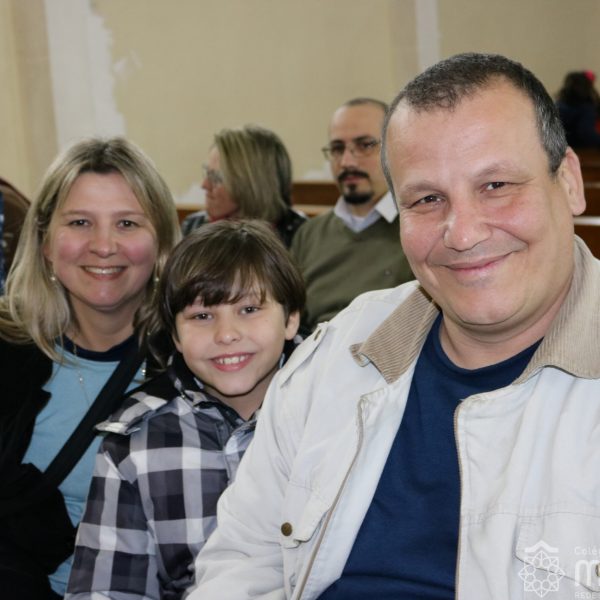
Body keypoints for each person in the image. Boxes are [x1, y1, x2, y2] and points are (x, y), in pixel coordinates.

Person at [186, 53, 600, 599]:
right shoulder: (341, 351)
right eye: (427, 199)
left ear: (568, 181)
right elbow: (243, 561)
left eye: (496, 184)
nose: (462, 233)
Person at [66, 220, 304, 600]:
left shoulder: (340, 414)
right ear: (175, 335)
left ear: (290, 319)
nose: (226, 334)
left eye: (248, 309)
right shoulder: (135, 444)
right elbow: (107, 589)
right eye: (202, 316)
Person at [0, 137, 181, 599]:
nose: (103, 246)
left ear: (160, 242)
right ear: (45, 241)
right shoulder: (7, 351)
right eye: (80, 222)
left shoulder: (202, 361)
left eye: (127, 223)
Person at [290, 97, 413, 334]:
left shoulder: (416, 227)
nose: (347, 162)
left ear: (395, 149)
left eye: (365, 145)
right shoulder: (309, 235)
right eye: (337, 149)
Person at [181, 125, 307, 247]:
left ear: (252, 185)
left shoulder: (301, 238)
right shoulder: (193, 227)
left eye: (217, 177)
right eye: (207, 173)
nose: (205, 185)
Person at [556, 70, 600, 148]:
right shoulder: (586, 109)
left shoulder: (559, 105)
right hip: (582, 151)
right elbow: (586, 134)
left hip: (558, 148)